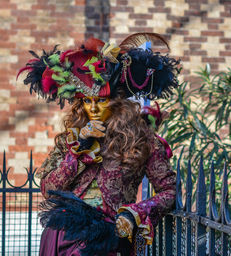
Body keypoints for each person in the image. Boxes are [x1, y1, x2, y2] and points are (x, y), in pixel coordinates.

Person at [18, 33, 180, 256]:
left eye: (101, 101)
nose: (92, 109)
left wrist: (135, 213)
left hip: (108, 241)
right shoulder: (71, 138)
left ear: (117, 102)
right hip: (62, 237)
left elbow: (169, 191)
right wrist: (77, 151)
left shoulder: (143, 140)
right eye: (86, 101)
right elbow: (49, 189)